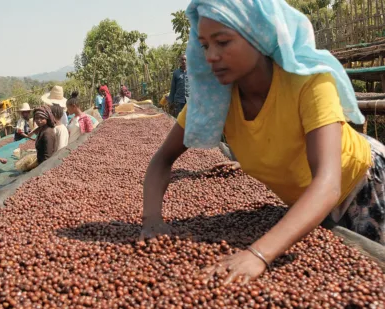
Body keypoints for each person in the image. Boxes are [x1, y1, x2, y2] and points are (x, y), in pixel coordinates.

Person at [141, 0, 382, 286]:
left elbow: (327, 184)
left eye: (223, 42)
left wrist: (258, 253)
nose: (211, 56)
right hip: (305, 205)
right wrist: (152, 219)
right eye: (205, 45)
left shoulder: (308, 82)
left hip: (363, 187)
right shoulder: (213, 101)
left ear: (258, 35)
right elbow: (162, 160)